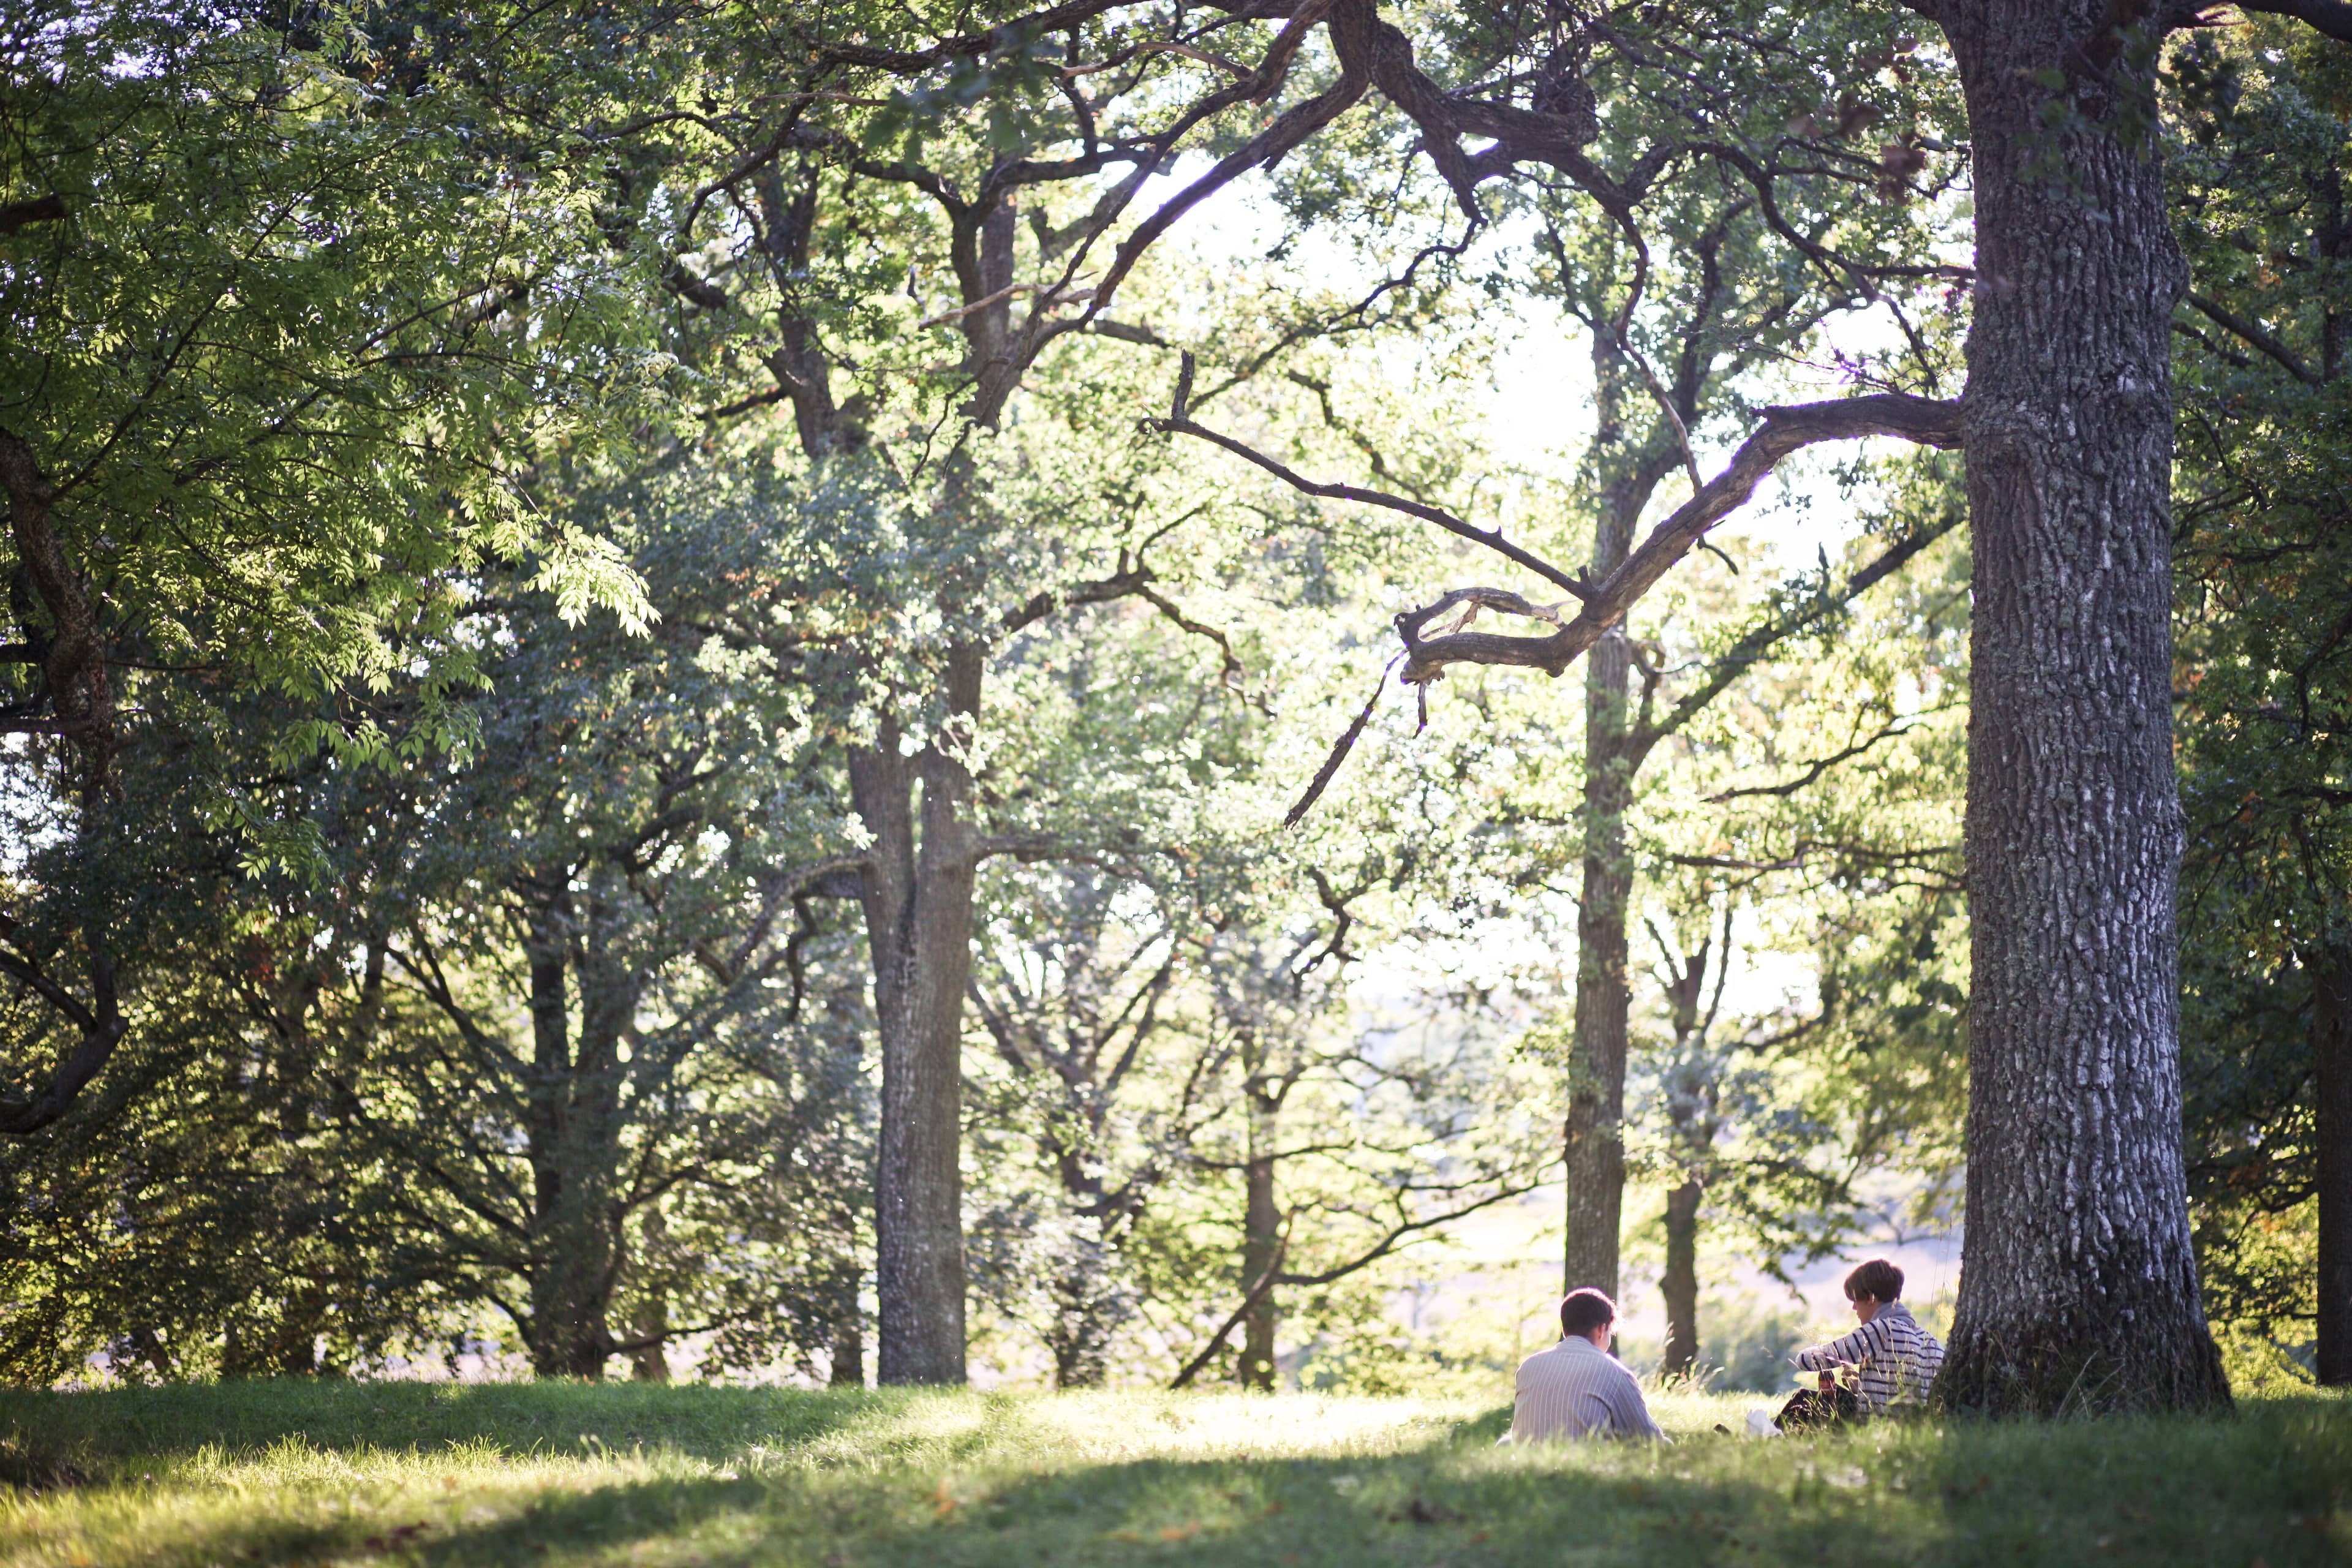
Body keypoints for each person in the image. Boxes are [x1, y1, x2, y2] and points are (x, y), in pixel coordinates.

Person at [1777, 1257, 1945, 1429]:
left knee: (1805, 1399)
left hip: (1876, 1426)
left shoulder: (1881, 1329)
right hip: (1911, 1427)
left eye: (1855, 1300)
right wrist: (1861, 1388)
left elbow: (1807, 1360)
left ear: (1871, 1298)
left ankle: (1770, 1438)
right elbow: (1902, 1395)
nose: (1854, 1308)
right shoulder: (1931, 1341)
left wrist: (1814, 1350)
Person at [1502, 1287, 1668, 1444]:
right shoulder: (1615, 1374)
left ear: (1565, 1329)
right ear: (1601, 1330)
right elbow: (1647, 1439)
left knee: (1506, 1442)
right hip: (1588, 1471)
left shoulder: (1528, 1367)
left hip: (1528, 1469)